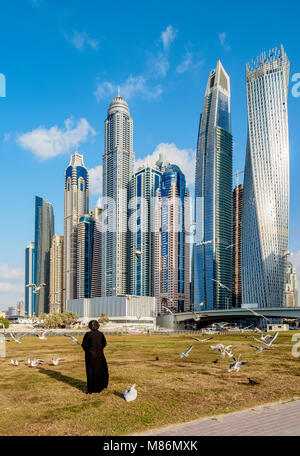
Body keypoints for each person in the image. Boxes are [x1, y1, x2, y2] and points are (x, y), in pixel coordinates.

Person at [81, 320, 109, 394]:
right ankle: (100, 387)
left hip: (90, 356)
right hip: (100, 355)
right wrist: (99, 349)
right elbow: (104, 343)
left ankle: (91, 389)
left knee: (91, 372)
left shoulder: (88, 334)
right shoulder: (101, 334)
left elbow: (84, 345)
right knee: (100, 371)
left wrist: (88, 350)